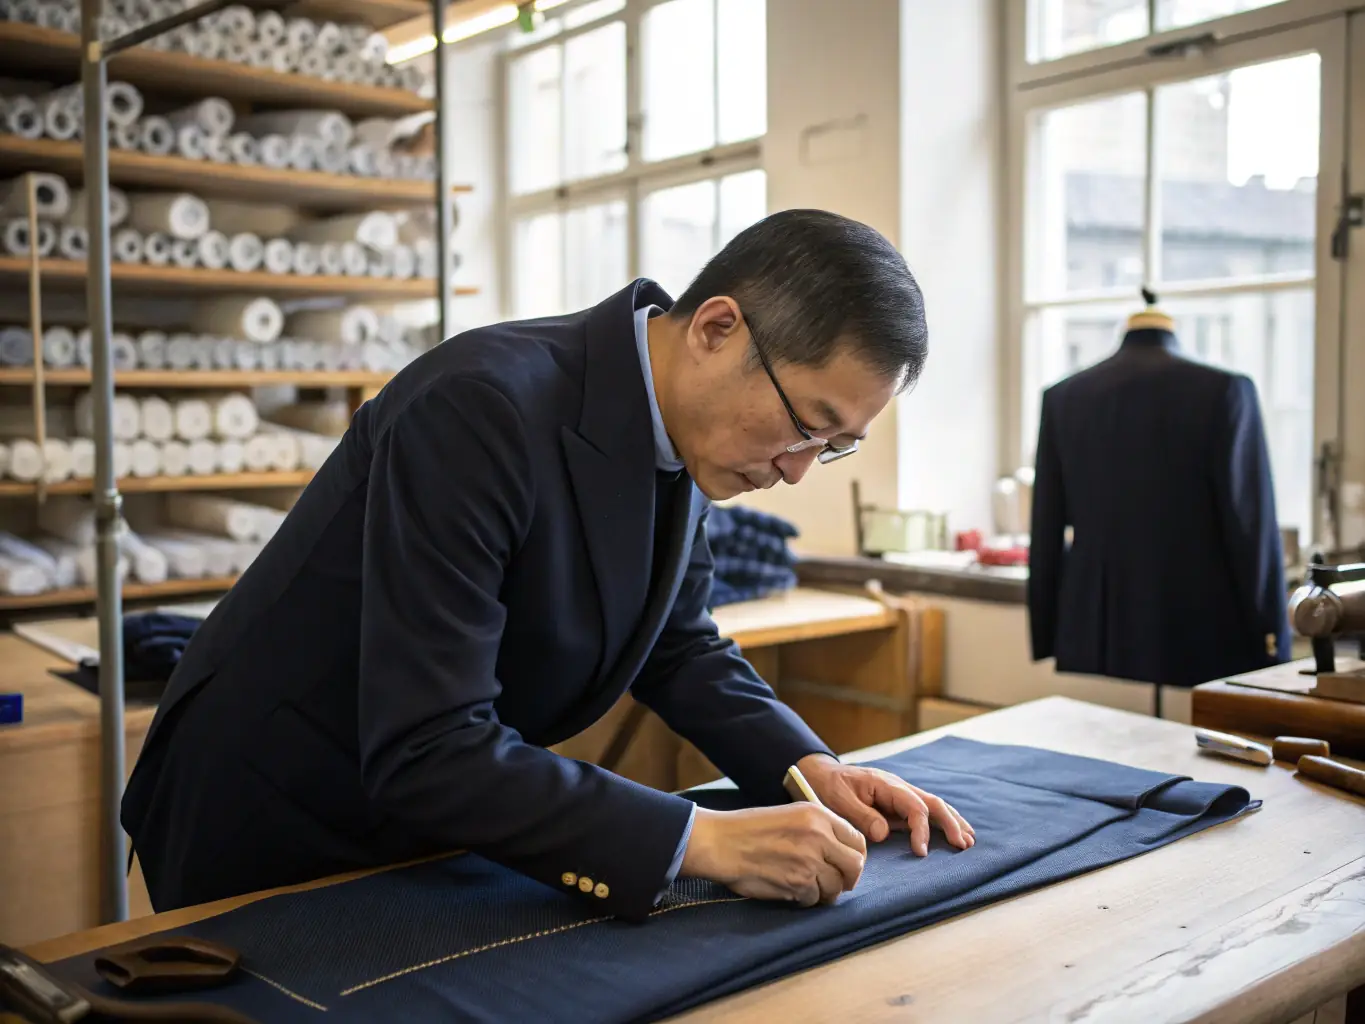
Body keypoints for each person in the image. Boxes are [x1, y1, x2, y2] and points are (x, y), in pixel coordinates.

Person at [121, 208, 975, 921]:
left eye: (833, 445)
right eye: (805, 425)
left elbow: (676, 643)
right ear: (716, 329)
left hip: (425, 807)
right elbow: (430, 742)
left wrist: (807, 771)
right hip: (278, 806)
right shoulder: (479, 408)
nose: (796, 470)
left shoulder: (687, 430)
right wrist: (700, 839)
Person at [1027, 302, 1291, 690]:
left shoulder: (1065, 396)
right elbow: (1252, 528)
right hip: (1199, 623)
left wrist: (1047, 629)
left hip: (1101, 627)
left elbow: (1046, 526)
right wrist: (1272, 638)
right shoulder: (1225, 390)